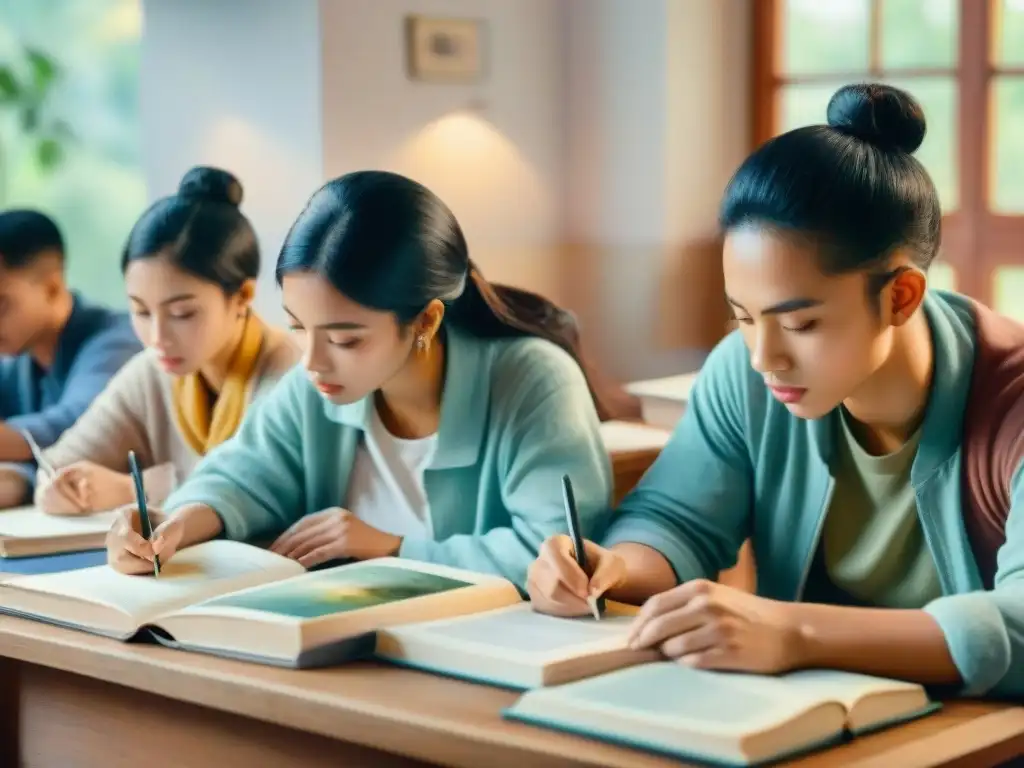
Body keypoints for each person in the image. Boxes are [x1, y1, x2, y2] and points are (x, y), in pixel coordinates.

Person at [526, 83, 1024, 700]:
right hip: (814, 715)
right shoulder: (745, 371)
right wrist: (615, 568)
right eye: (742, 316)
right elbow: (677, 518)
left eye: (800, 324)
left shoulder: (1013, 403)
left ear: (901, 297)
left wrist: (796, 632)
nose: (764, 357)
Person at [105, 170, 613, 587]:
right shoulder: (315, 387)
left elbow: (564, 553)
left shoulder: (532, 383)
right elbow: (239, 475)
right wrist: (173, 524)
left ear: (427, 321)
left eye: (346, 340)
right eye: (299, 328)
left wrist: (392, 548)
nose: (313, 361)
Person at [32, 167, 299, 515]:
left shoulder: (290, 371)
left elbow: (266, 490)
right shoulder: (150, 371)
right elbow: (58, 464)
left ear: (243, 296)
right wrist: (61, 488)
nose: (157, 338)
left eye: (182, 314)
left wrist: (134, 488)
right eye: (141, 312)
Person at [0, 210, 140, 508]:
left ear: (51, 288)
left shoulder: (117, 340)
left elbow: (79, 426)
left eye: (1, 305)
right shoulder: (14, 361)